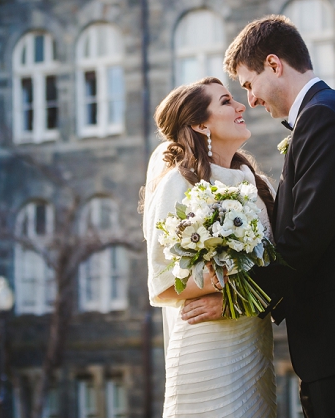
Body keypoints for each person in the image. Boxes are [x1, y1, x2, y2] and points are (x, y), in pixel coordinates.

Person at [184, 15, 335, 417]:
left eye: (249, 84)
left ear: (275, 65)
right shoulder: (325, 114)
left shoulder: (323, 118)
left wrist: (237, 298)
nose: (253, 99)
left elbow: (307, 235)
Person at [143, 77, 278, 417]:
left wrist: (237, 299)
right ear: (201, 124)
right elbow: (162, 283)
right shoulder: (179, 183)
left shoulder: (256, 185)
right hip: (206, 348)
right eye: (225, 102)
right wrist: (227, 285)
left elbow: (277, 266)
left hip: (252, 345)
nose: (240, 106)